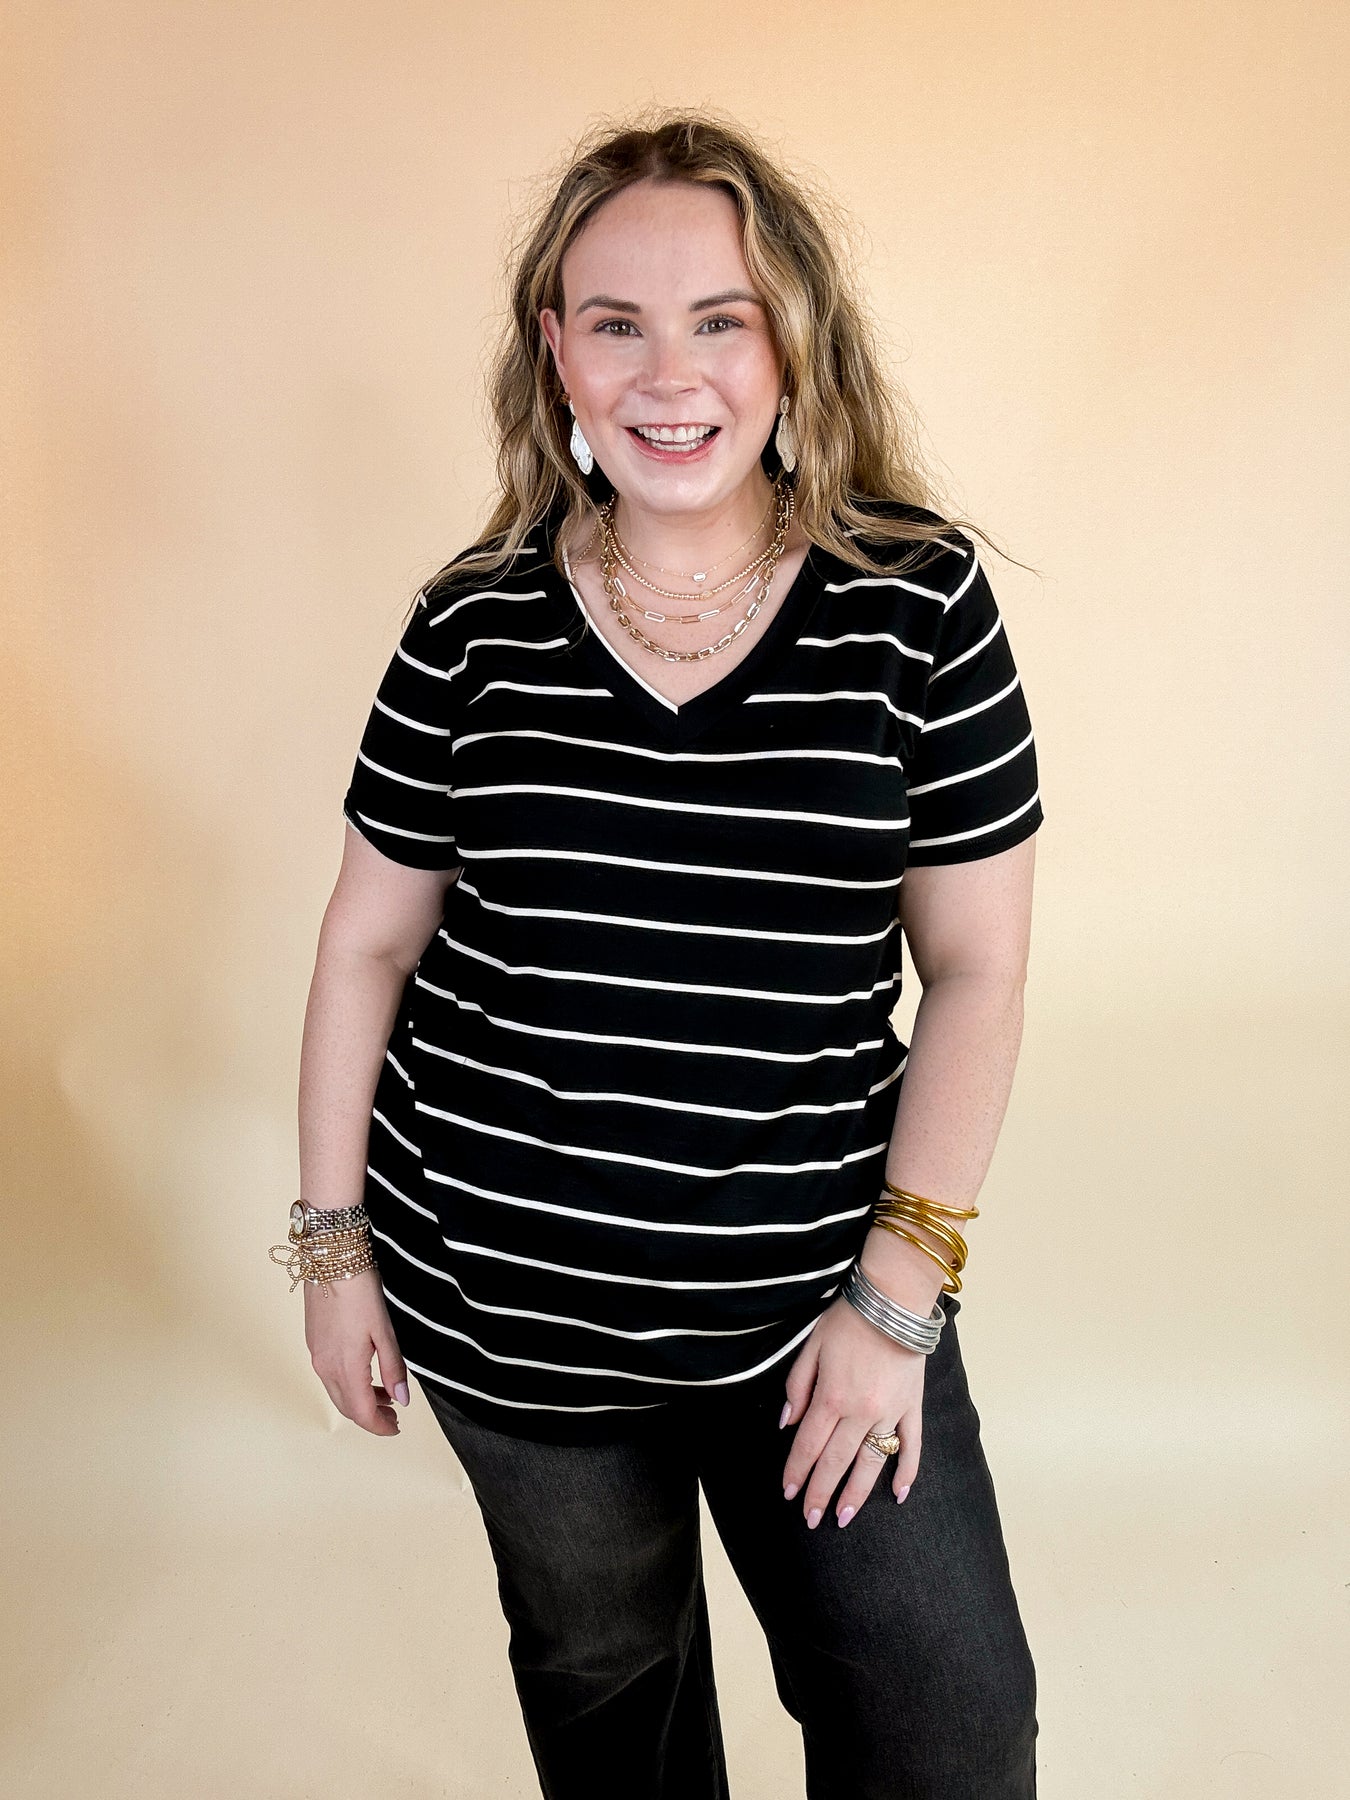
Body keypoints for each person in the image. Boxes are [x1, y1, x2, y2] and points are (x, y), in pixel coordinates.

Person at [276, 111, 1044, 1800]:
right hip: (513, 1313)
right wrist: (332, 1251)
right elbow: (367, 946)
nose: (667, 373)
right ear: (555, 348)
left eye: (719, 319)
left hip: (816, 1306)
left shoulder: (914, 605)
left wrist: (895, 1296)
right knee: (612, 1713)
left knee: (947, 1728)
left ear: (792, 343)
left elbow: (977, 969)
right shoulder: (468, 625)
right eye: (616, 323)